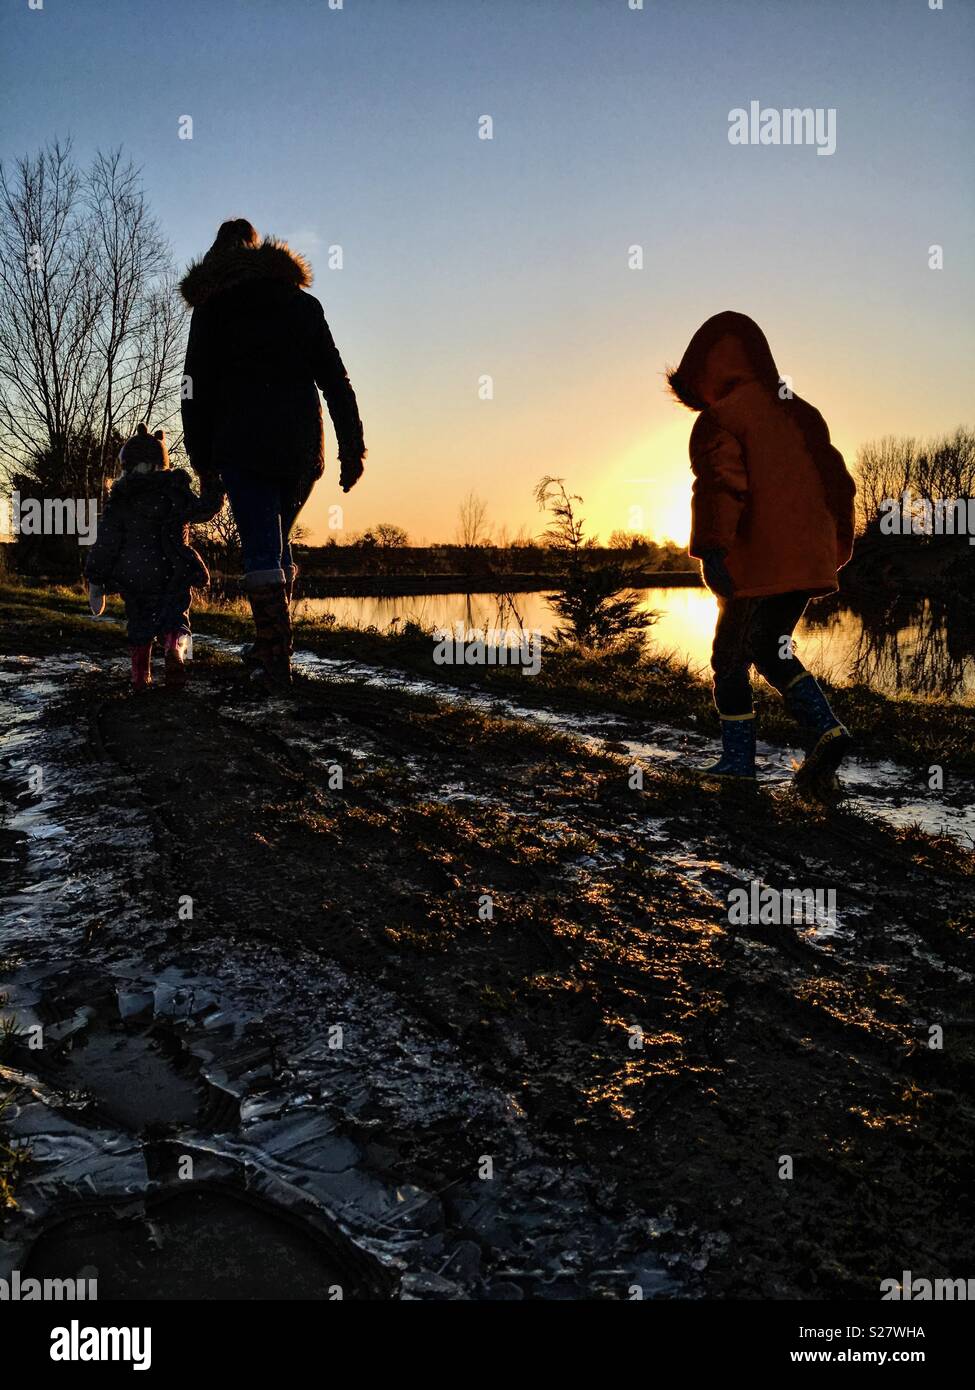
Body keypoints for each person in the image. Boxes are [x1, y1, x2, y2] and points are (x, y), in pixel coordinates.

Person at [667, 311, 857, 787]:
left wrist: (712, 550)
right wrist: (836, 546)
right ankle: (826, 731)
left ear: (705, 373)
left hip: (753, 566)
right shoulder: (803, 413)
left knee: (728, 659)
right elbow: (840, 485)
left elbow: (721, 486)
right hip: (807, 560)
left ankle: (739, 761)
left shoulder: (720, 419)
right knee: (771, 649)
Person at [179, 219, 365, 687]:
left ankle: (275, 659)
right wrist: (352, 447)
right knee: (276, 541)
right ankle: (270, 645)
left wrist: (202, 462)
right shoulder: (300, 303)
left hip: (243, 446)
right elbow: (335, 380)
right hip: (302, 448)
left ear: (215, 259)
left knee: (263, 545)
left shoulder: (211, 309)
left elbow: (191, 391)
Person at [85, 424, 224, 692]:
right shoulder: (175, 492)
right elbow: (205, 509)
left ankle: (140, 676)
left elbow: (106, 544)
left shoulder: (120, 501)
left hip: (135, 577)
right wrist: (214, 481)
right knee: (176, 619)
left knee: (139, 624)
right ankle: (175, 650)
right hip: (172, 572)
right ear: (162, 463)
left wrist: (96, 581)